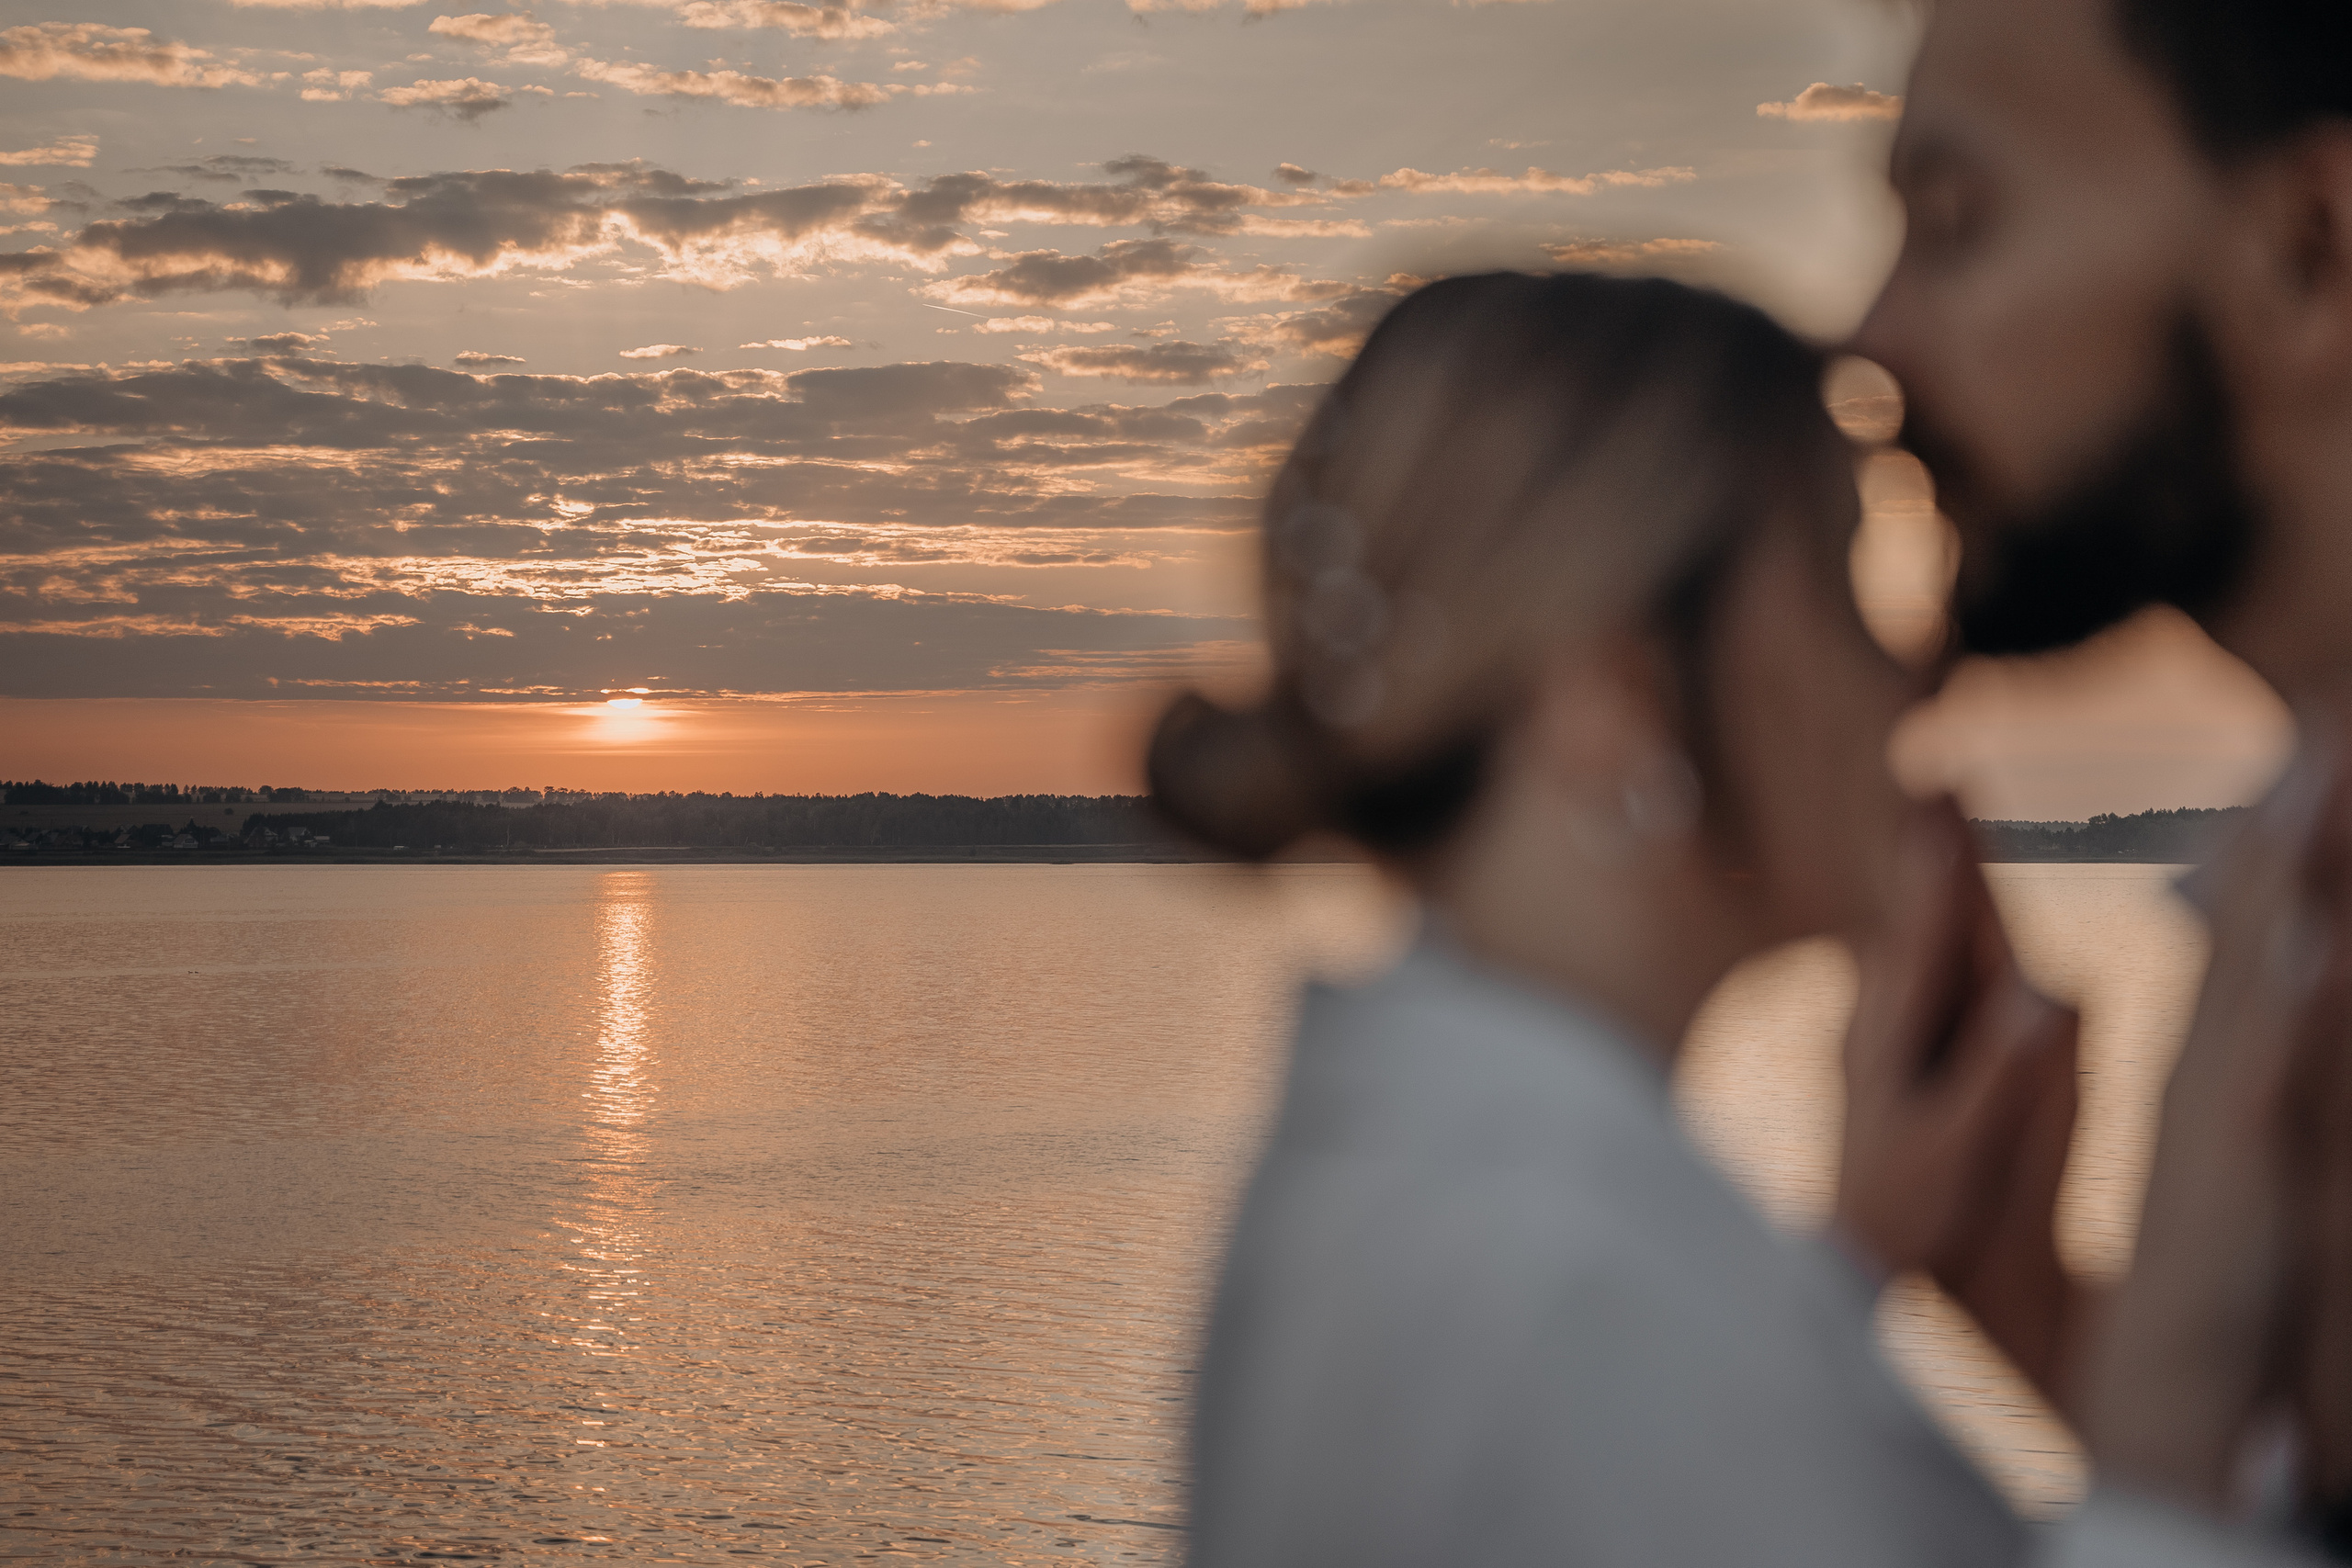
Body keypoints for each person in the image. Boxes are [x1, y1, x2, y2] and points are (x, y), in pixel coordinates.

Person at [1149, 270, 2315, 1565]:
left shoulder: (1430, 1194)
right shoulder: (1567, 1282)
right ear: (1621, 701)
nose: (1919, 670)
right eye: (1845, 581)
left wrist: (1856, 1274)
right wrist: (2171, 1402)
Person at [1852, 0, 2352, 1551]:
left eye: (1955, 220)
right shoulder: (2304, 857)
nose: (1872, 340)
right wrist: (2048, 1316)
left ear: (2305, 253)